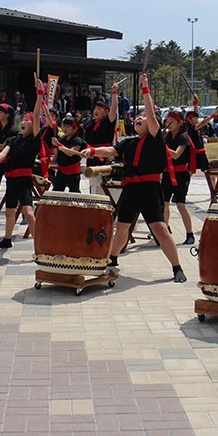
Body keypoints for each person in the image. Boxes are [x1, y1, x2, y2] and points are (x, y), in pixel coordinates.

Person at [82, 74, 187, 283]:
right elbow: (110, 150)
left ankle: (177, 268)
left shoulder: (156, 140)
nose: (139, 118)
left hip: (149, 188)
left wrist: (145, 89)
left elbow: (151, 115)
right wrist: (92, 151)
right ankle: (112, 259)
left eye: (143, 117)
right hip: (131, 189)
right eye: (136, 117)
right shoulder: (128, 142)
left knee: (160, 229)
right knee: (122, 227)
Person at [0, 78, 45, 249]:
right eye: (23, 120)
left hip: (24, 181)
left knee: (29, 213)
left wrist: (40, 94)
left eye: (27, 121)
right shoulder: (13, 139)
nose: (23, 122)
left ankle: (39, 246)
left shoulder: (34, 139)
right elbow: (2, 154)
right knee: (9, 212)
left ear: (33, 126)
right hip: (11, 181)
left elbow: (38, 114)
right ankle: (7, 240)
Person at [162, 109, 196, 245]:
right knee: (164, 203)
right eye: (167, 121)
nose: (168, 124)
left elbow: (176, 154)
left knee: (181, 204)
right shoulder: (167, 137)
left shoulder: (184, 137)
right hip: (166, 173)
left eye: (172, 121)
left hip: (181, 174)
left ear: (180, 123)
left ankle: (190, 234)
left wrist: (162, 145)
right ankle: (164, 232)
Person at [83, 82, 119, 195]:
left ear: (105, 111)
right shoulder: (90, 124)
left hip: (103, 155)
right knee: (93, 184)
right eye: (95, 109)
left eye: (99, 108)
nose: (96, 111)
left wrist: (114, 93)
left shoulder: (107, 121)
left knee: (102, 186)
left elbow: (114, 108)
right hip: (92, 155)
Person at [50, 116, 87, 192]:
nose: (64, 128)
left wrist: (59, 145)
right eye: (63, 126)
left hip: (73, 172)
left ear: (75, 128)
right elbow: (55, 157)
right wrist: (46, 160)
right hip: (61, 171)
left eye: (68, 126)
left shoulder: (78, 141)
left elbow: (71, 153)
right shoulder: (61, 140)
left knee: (74, 193)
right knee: (56, 192)